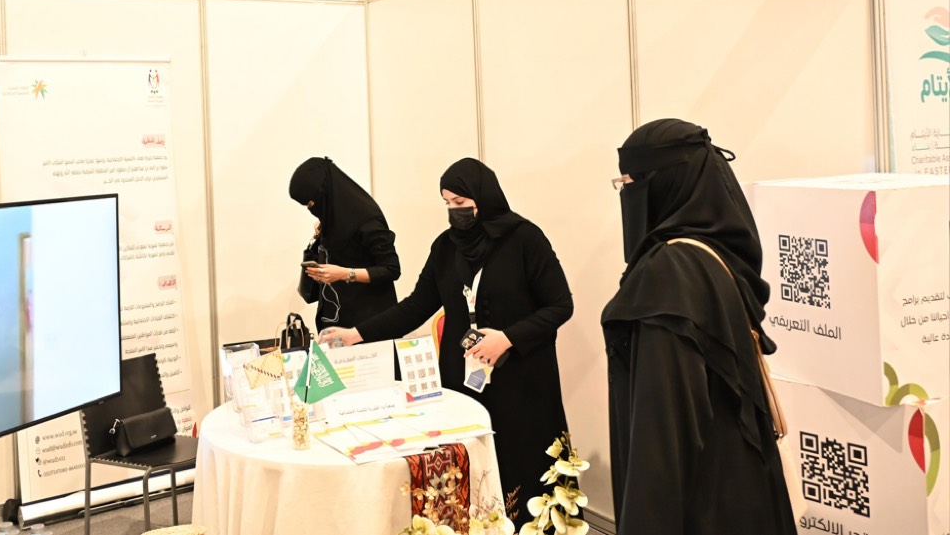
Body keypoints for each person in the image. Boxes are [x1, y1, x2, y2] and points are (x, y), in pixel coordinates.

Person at [320, 157, 573, 525]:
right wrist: (356, 334)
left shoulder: (524, 239)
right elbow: (415, 306)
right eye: (448, 203)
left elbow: (560, 305)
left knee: (524, 463)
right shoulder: (446, 247)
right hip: (463, 378)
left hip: (521, 377)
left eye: (461, 202)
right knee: (471, 465)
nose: (455, 211)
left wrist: (507, 338)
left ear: (484, 197)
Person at [602, 118, 798, 535]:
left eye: (629, 182)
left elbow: (662, 435)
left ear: (663, 184)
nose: (625, 194)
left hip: (699, 507)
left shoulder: (668, 273)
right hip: (739, 492)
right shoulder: (713, 254)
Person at [289, 157, 401, 329]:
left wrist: (345, 274)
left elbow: (391, 269)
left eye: (311, 203)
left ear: (325, 193)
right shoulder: (332, 218)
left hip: (369, 324)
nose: (311, 209)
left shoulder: (367, 219)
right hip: (334, 322)